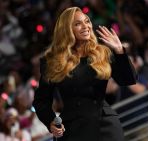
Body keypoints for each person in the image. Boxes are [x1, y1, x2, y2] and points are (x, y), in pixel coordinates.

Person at [32, 7, 137, 141]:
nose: (85, 26)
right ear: (66, 29)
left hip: (105, 126)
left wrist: (119, 51)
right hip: (72, 129)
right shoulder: (53, 62)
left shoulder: (103, 53)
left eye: (87, 21)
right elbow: (41, 101)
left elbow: (128, 80)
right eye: (78, 24)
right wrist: (50, 121)